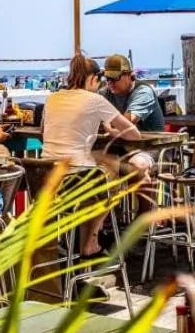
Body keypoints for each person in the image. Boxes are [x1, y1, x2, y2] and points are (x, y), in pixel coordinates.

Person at [42, 54, 142, 256]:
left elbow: (43, 131)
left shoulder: (51, 98)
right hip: (77, 180)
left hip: (46, 178)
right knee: (112, 176)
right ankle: (91, 242)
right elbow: (134, 134)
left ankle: (72, 243)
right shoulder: (96, 100)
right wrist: (113, 131)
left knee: (100, 168)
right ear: (93, 79)